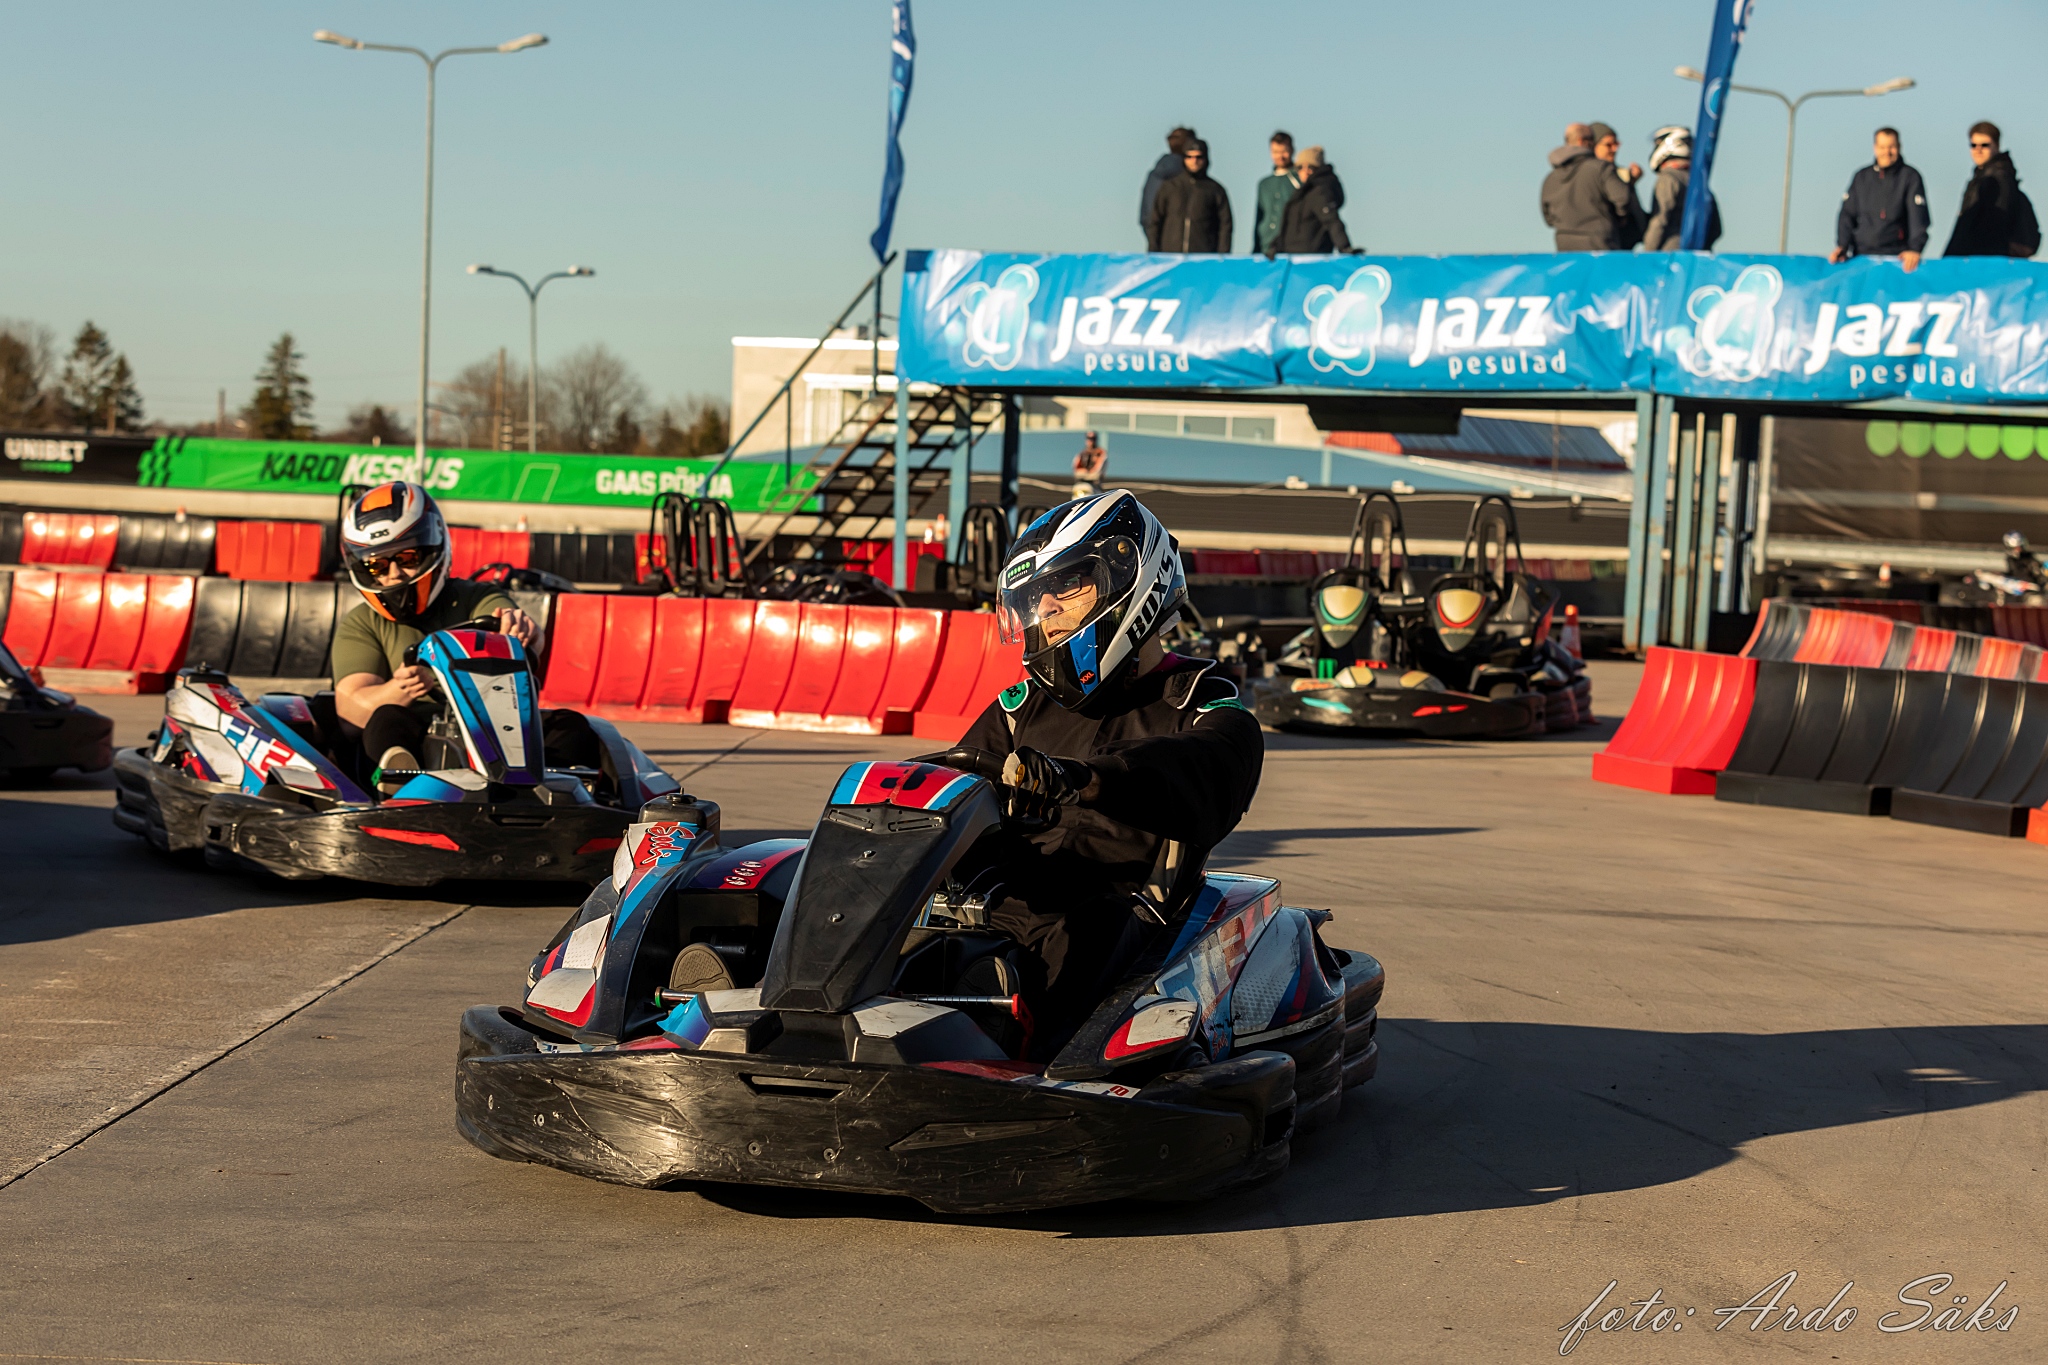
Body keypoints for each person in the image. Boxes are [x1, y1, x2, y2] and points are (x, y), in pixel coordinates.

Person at [951, 492, 1263, 1054]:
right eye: (1036, 597)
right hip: (1006, 902)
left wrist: (1083, 779)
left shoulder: (1201, 707)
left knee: (1084, 930)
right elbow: (956, 785)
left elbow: (1201, 766)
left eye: (1066, 587)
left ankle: (1014, 1051)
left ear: (1128, 582)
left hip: (1118, 918)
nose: (1046, 609)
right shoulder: (1021, 708)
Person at [330, 481, 594, 792]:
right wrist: (401, 688)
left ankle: (564, 789)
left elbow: (513, 623)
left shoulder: (475, 597)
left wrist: (523, 631)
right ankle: (401, 786)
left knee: (571, 725)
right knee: (386, 718)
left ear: (433, 549)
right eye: (377, 565)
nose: (394, 574)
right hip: (418, 731)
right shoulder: (362, 623)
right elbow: (349, 709)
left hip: (493, 723)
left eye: (408, 558)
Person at [1829, 127, 1929, 270]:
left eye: (1891, 147)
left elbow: (1918, 218)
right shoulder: (1861, 177)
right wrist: (1842, 245)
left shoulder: (1910, 177)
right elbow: (1847, 214)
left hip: (1897, 259)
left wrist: (1915, 249)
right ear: (1875, 148)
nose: (1887, 152)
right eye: (1882, 147)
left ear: (1899, 147)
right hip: (1861, 257)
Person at [1542, 121, 1645, 251]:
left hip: (1565, 247)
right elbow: (1622, 199)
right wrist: (1618, 219)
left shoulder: (1551, 178)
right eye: (1608, 144)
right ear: (1582, 141)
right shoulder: (1601, 169)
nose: (1614, 149)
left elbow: (1549, 218)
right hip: (1601, 244)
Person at [1945, 122, 2041, 259]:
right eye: (1973, 145)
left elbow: (1995, 224)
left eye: (1984, 145)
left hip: (1986, 259)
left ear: (1997, 146)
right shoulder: (1980, 178)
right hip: (1974, 258)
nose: (1978, 150)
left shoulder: (1999, 178)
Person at [1147, 138, 1233, 254]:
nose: (1194, 161)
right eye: (1189, 157)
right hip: (1171, 256)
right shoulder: (1170, 187)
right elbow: (1155, 221)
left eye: (1199, 157)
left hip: (1203, 257)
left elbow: (1225, 224)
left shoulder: (1215, 190)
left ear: (1205, 159)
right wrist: (1153, 252)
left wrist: (1222, 255)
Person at [1643, 125, 1720, 251]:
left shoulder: (1668, 178)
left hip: (1670, 253)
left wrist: (1648, 253)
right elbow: (1716, 228)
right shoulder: (1698, 181)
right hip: (1698, 255)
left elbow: (1660, 220)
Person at [1273, 145, 1356, 255]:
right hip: (1292, 258)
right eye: (1300, 167)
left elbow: (1332, 221)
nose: (1305, 171)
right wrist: (1275, 247)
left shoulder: (1319, 192)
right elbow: (1289, 228)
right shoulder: (1302, 193)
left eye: (1311, 167)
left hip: (1311, 258)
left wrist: (1344, 247)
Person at [1140, 127, 1198, 244]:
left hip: (1158, 239)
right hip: (1184, 242)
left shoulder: (1155, 174)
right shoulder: (1187, 178)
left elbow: (1147, 215)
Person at [1252, 130, 1299, 257]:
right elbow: (1260, 217)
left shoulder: (1299, 181)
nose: (1280, 156)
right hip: (1266, 246)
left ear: (1292, 150)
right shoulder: (1264, 184)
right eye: (1276, 152)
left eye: (1284, 151)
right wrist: (1256, 248)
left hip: (1290, 247)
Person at [1072, 431, 1108, 497]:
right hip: (1079, 487)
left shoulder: (1100, 453)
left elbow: (1096, 473)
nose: (1091, 441)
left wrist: (1086, 473)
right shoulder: (1081, 454)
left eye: (1093, 439)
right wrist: (1086, 472)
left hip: (1095, 488)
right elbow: (1076, 471)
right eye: (1088, 438)